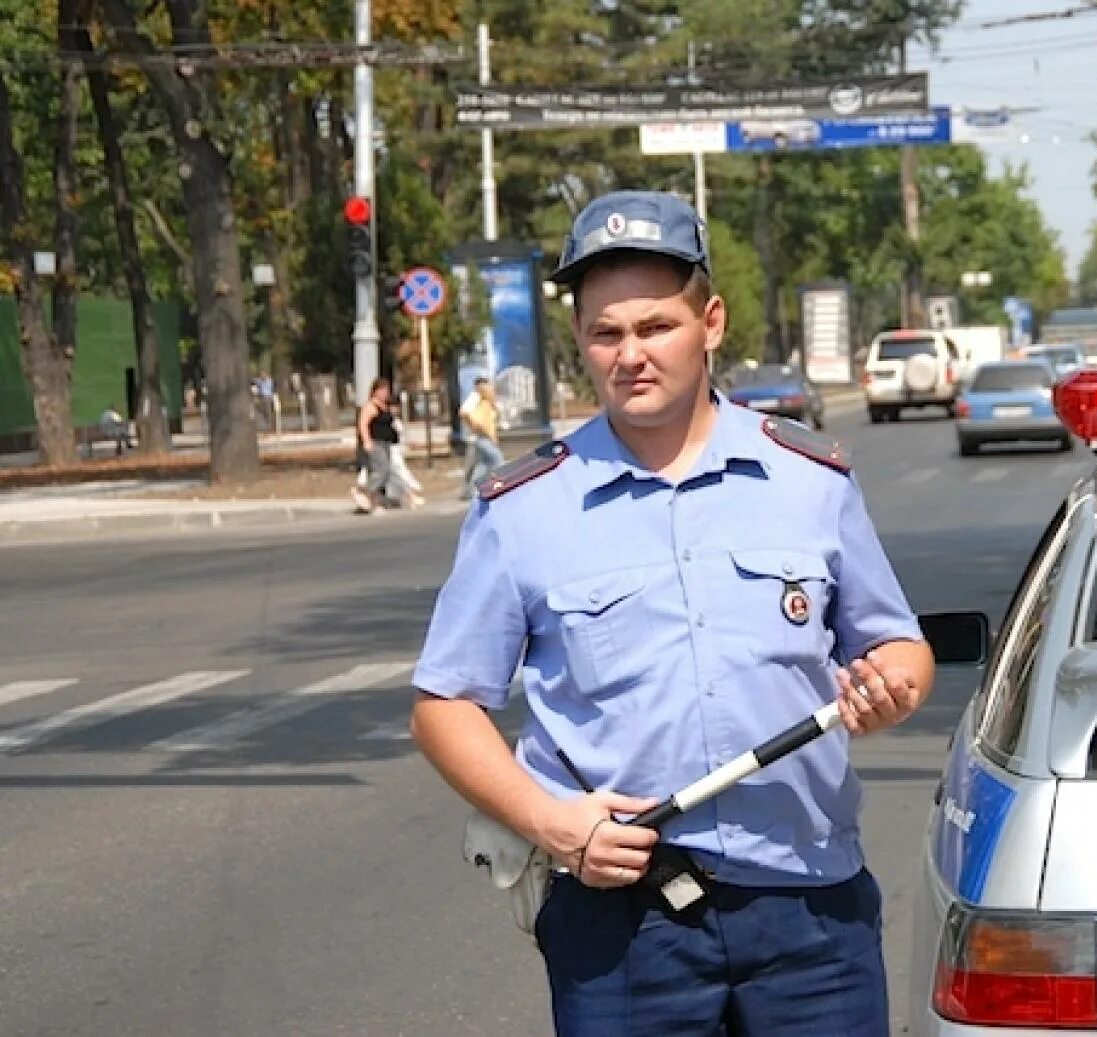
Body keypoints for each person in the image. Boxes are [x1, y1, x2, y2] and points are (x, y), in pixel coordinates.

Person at [410, 189, 934, 1036]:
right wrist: (554, 824)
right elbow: (445, 705)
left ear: (711, 322)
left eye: (656, 326)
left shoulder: (810, 479)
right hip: (622, 919)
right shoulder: (522, 508)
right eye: (605, 333)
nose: (630, 355)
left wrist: (892, 687)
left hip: (809, 906)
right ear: (580, 341)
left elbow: (897, 645)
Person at [353, 378, 404, 513]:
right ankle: (365, 492)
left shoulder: (385, 406)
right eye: (381, 390)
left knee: (385, 472)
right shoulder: (370, 406)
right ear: (374, 391)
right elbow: (363, 424)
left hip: (386, 443)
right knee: (382, 469)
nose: (384, 393)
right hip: (375, 442)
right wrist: (367, 441)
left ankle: (375, 501)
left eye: (386, 390)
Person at [457, 376, 504, 500]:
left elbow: (495, 416)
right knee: (496, 461)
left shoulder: (488, 403)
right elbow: (465, 413)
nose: (492, 391)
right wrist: (475, 426)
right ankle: (495, 487)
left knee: (482, 465)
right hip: (480, 438)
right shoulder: (477, 399)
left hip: (481, 438)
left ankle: (471, 491)